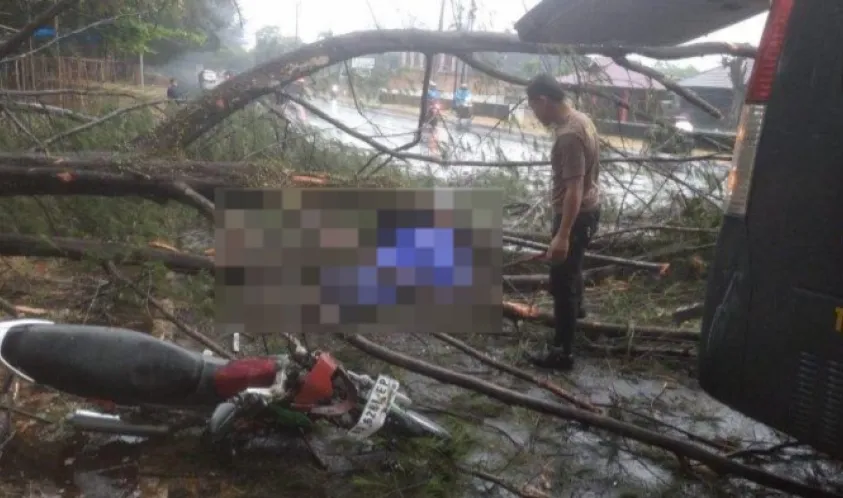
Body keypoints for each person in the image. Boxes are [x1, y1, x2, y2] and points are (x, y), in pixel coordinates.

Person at [522, 74, 601, 371]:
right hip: (590, 210)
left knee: (562, 282)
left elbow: (574, 189)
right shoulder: (583, 119)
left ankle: (562, 352)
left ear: (543, 101)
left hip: (576, 215)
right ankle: (577, 313)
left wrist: (563, 234)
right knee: (572, 270)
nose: (535, 114)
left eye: (533, 107)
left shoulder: (569, 135)